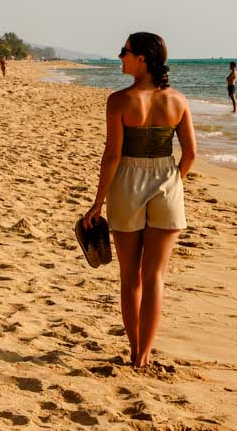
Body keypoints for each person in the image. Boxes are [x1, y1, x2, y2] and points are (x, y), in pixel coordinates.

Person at [83, 32, 196, 368]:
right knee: (155, 277)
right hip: (167, 181)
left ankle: (134, 351)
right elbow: (190, 154)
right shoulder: (178, 100)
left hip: (128, 183)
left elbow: (113, 156)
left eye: (125, 51)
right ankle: (145, 355)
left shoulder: (119, 100)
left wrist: (97, 202)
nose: (120, 56)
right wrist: (174, 183)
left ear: (143, 58)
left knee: (130, 277)